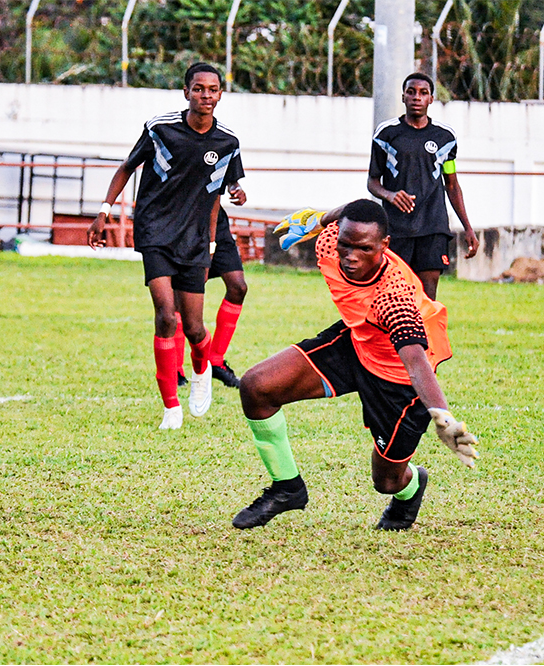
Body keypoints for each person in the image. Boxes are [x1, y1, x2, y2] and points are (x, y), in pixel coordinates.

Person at [233, 200, 479, 531]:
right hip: (357, 342)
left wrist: (443, 416)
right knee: (256, 386)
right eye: (345, 245)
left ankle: (412, 487)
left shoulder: (394, 297)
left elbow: (416, 361)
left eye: (363, 249)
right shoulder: (328, 243)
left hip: (398, 380)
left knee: (386, 482)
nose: (350, 256)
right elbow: (347, 214)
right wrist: (319, 218)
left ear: (383, 247)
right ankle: (287, 487)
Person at [88, 62, 244, 430]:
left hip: (192, 238)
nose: (205, 95)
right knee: (164, 313)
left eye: (213, 89)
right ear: (186, 91)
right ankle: (171, 408)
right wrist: (104, 210)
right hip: (155, 231)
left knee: (194, 327)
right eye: (199, 88)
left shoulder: (228, 142)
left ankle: (203, 369)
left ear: (221, 94)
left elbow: (223, 191)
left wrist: (233, 196)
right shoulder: (160, 129)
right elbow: (127, 167)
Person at [367, 72, 479, 300]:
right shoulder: (386, 134)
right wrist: (390, 195)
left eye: (423, 93)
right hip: (396, 228)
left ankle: (426, 336)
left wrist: (467, 227)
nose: (416, 97)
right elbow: (372, 182)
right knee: (395, 293)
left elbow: (451, 183)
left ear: (431, 99)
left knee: (428, 296)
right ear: (403, 97)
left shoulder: (445, 138)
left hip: (433, 225)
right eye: (411, 92)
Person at [173, 182, 247, 389]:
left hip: (215, 220)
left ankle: (215, 361)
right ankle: (176, 369)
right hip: (182, 220)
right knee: (180, 296)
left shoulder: (228, 147)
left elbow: (229, 176)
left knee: (238, 286)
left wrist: (236, 188)